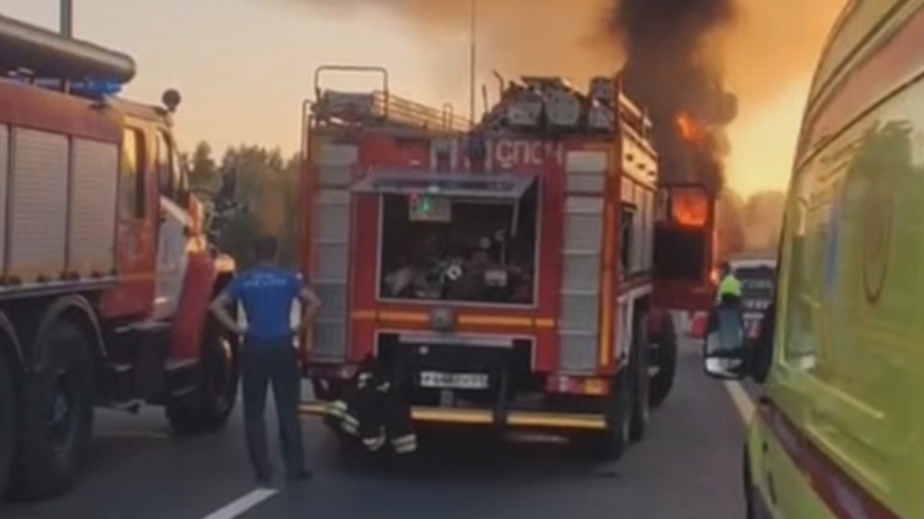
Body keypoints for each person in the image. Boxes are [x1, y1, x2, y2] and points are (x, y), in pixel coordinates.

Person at [209, 235, 321, 486]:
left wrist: (237, 330)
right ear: (276, 252)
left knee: (254, 412)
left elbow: (216, 306)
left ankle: (263, 470)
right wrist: (299, 328)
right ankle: (295, 467)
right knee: (287, 410)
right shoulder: (287, 279)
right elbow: (314, 302)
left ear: (253, 253)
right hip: (282, 346)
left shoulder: (244, 281)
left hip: (254, 347)